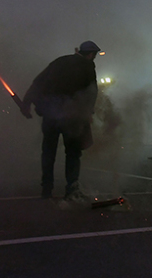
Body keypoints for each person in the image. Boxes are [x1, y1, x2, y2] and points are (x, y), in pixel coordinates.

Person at [21, 41, 100, 200]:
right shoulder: (88, 67)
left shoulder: (60, 61)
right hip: (72, 117)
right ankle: (71, 188)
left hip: (51, 115)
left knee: (48, 152)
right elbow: (91, 92)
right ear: (91, 54)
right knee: (72, 153)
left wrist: (26, 103)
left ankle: (46, 188)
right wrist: (88, 112)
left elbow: (38, 82)